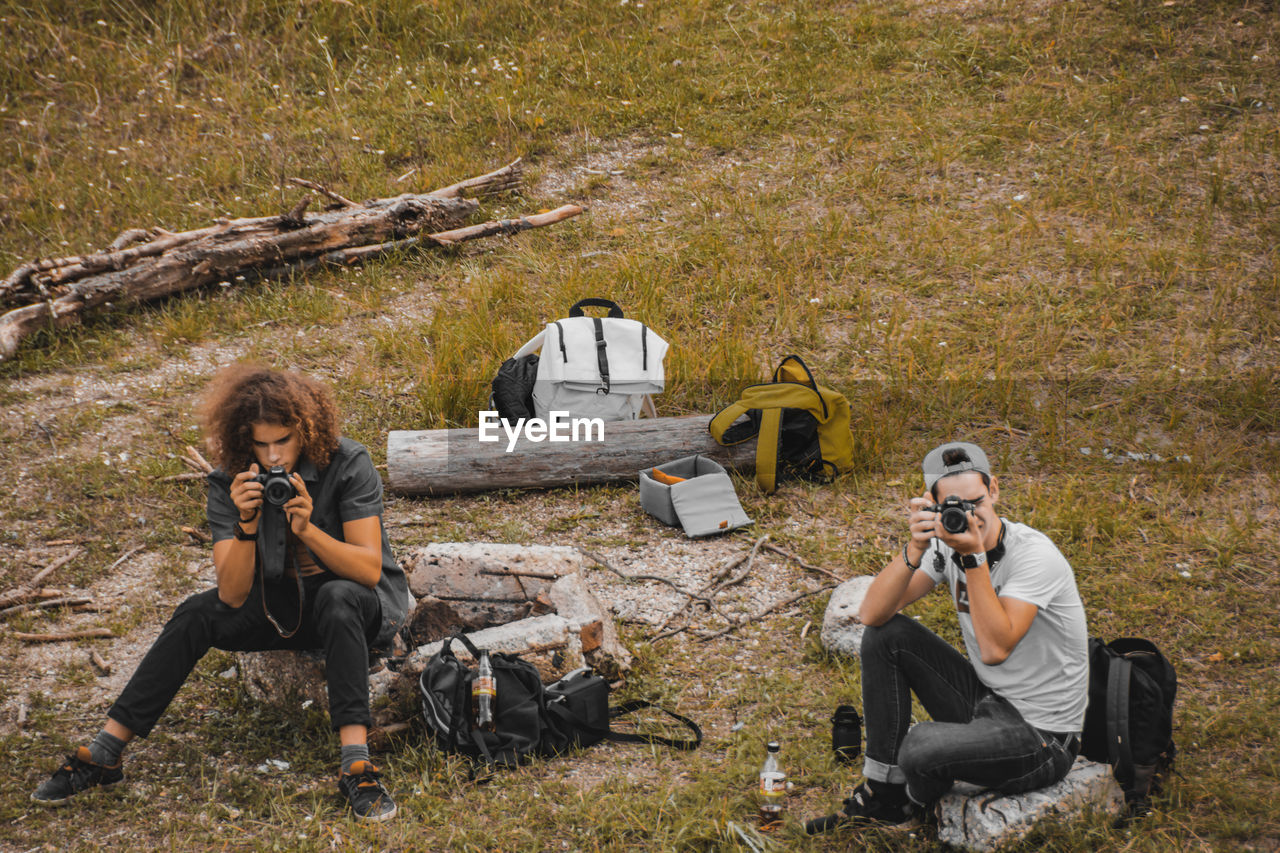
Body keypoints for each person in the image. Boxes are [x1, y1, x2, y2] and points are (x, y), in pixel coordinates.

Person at [31, 366, 410, 822]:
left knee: (339, 597)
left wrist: (308, 532)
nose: (274, 457)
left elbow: (368, 571)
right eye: (261, 444)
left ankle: (357, 766)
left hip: (358, 610)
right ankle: (105, 752)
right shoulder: (228, 481)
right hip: (279, 609)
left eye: (284, 441)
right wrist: (245, 523)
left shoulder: (347, 462)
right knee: (195, 612)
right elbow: (231, 595)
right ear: (243, 440)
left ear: (306, 432)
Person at [808, 441, 1088, 833]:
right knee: (886, 634)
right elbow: (871, 614)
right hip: (988, 701)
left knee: (921, 746)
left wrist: (973, 560)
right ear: (935, 505)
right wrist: (914, 548)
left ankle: (916, 804)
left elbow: (994, 649)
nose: (971, 517)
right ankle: (884, 795)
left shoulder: (1034, 557)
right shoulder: (945, 542)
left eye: (977, 502)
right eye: (957, 507)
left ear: (994, 490)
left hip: (1042, 738)